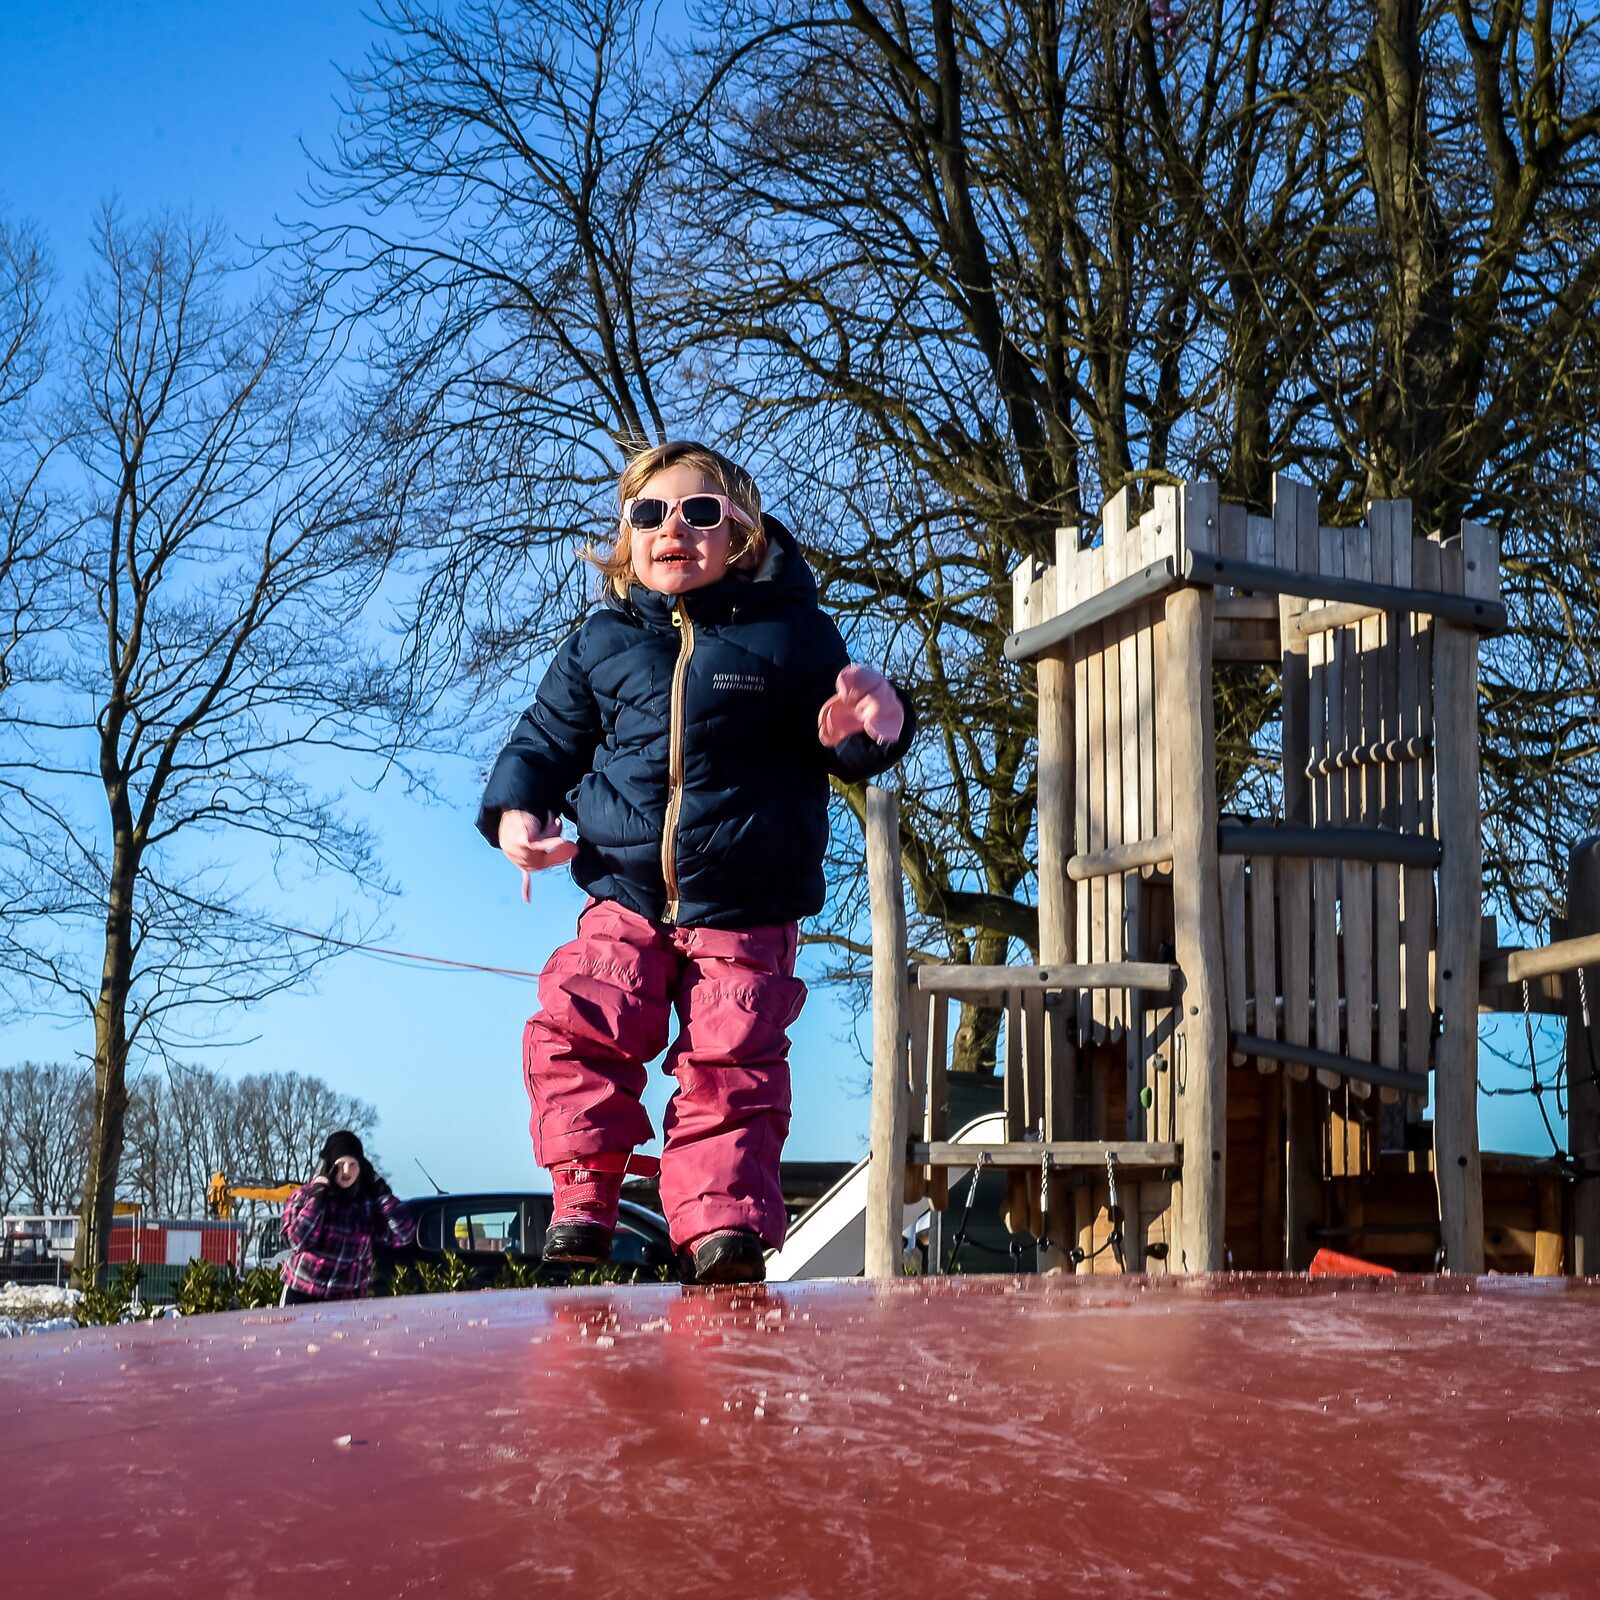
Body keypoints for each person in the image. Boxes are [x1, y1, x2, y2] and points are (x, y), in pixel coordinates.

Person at [477, 439, 915, 1285]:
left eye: (700, 512)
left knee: (732, 1062)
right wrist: (515, 813)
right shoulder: (600, 644)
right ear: (626, 538)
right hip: (625, 889)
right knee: (580, 1025)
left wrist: (875, 726)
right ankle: (582, 1196)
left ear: (742, 534)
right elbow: (543, 741)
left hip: (747, 901)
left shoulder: (792, 636)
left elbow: (849, 733)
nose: (673, 528)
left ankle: (720, 1227)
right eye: (650, 514)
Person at [279, 1130, 415, 1304]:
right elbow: (298, 1240)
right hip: (302, 1291)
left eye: (353, 1164)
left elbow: (403, 1235)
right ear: (329, 1166)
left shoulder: (367, 1205)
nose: (346, 1171)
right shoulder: (304, 1197)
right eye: (341, 1164)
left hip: (347, 1297)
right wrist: (318, 1198)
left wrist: (383, 1193)